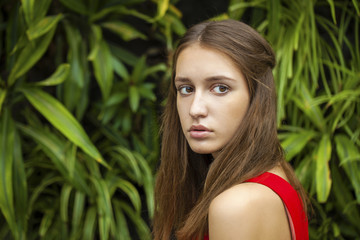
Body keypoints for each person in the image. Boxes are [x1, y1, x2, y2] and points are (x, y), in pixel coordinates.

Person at [153, 19, 309, 240]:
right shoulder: (273, 172)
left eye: (220, 88)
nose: (195, 109)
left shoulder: (236, 205)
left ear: (256, 96)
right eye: (186, 89)